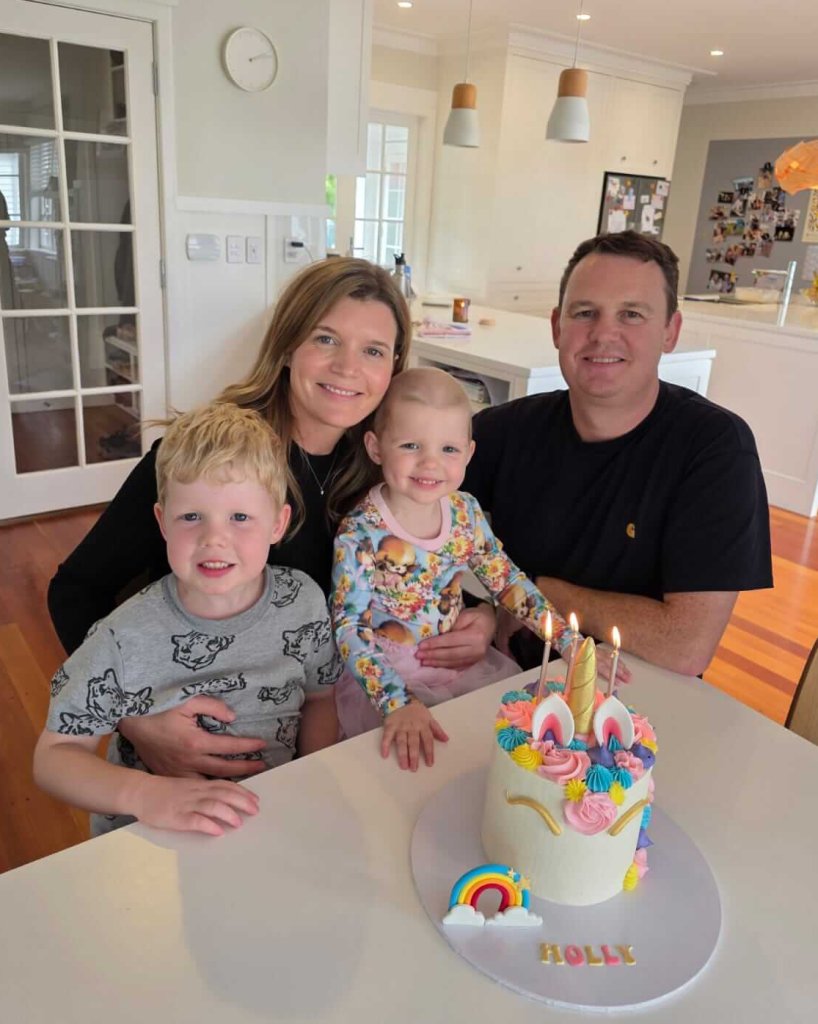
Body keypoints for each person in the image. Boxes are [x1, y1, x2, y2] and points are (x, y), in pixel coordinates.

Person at [47, 257, 496, 779]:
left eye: (372, 350)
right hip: (197, 755)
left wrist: (478, 615)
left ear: (393, 367)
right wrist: (136, 720)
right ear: (287, 346)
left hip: (332, 728)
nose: (347, 368)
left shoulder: (391, 463)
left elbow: (417, 567)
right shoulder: (208, 462)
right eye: (325, 339)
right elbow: (74, 592)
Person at [463, 230, 773, 678]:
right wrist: (483, 610)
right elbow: (411, 529)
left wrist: (538, 594)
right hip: (500, 683)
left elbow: (686, 644)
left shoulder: (715, 448)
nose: (603, 334)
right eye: (585, 313)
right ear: (557, 327)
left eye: (631, 314)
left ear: (671, 331)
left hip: (638, 703)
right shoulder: (500, 430)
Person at [34, 403, 341, 837]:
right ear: (162, 522)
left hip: (271, 823)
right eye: (191, 516)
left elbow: (320, 699)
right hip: (152, 841)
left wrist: (309, 781)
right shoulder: (122, 635)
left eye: (240, 517)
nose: (214, 538)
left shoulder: (304, 602)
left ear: (278, 523)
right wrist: (144, 795)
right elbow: (54, 756)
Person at [331, 368, 582, 772]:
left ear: (468, 453)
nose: (430, 463)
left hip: (460, 667)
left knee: (489, 757)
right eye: (411, 445)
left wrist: (571, 641)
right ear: (376, 448)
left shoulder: (465, 512)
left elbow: (508, 582)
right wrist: (398, 702)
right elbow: (348, 627)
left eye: (448, 449)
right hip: (390, 681)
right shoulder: (361, 532)